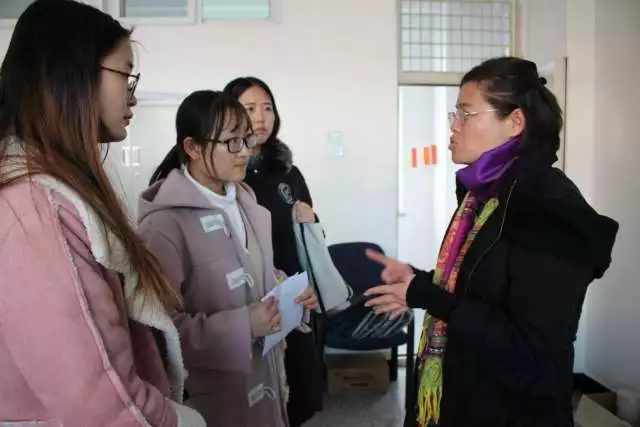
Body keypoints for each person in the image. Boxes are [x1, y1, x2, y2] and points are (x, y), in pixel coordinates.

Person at [363, 57, 619, 427]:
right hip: (468, 394)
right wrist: (419, 279)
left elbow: (530, 342)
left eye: (466, 113)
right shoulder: (484, 195)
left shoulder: (545, 204)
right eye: (455, 114)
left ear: (515, 122)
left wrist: (426, 295)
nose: (454, 126)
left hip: (514, 410)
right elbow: (481, 286)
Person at [0, 1, 205, 426]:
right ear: (71, 76)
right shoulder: (36, 208)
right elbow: (100, 403)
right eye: (125, 74)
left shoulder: (50, 191)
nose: (134, 94)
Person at [138, 90, 318, 427]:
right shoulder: (163, 225)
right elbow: (159, 333)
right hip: (211, 401)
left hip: (266, 381)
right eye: (232, 142)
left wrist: (288, 292)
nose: (245, 151)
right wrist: (243, 326)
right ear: (192, 147)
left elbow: (254, 274)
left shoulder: (246, 202)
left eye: (246, 139)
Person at [224, 77, 324, 427]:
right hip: (247, 303)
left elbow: (309, 235)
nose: (260, 117)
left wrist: (312, 219)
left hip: (294, 298)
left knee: (297, 393)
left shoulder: (288, 172)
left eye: (267, 108)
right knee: (254, 401)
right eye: (250, 108)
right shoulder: (224, 174)